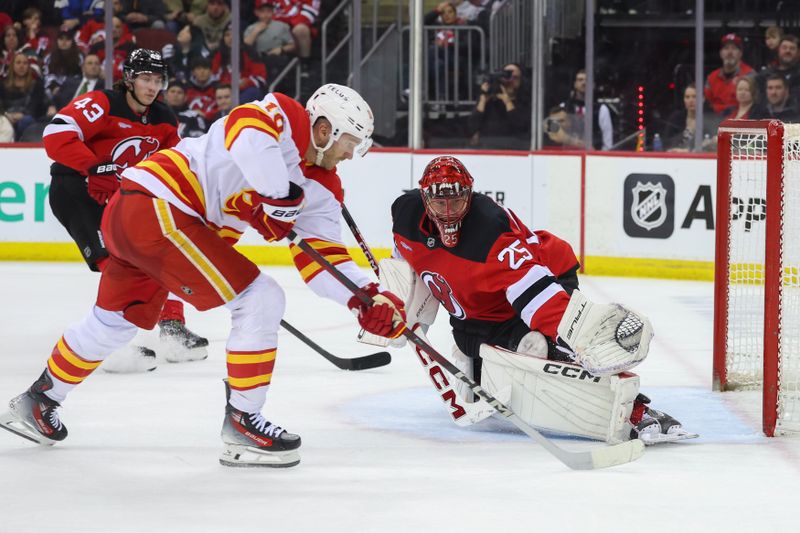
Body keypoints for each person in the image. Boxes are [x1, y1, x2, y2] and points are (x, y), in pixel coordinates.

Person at [0, 83, 406, 468]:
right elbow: (248, 139)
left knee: (115, 323)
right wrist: (279, 197)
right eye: (350, 144)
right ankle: (244, 421)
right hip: (160, 205)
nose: (351, 156)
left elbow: (323, 260)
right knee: (260, 298)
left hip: (141, 216)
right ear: (324, 129)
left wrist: (364, 297)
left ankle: (38, 401)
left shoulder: (324, 190)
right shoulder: (285, 115)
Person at [384, 155, 694, 445]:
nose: (449, 212)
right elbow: (409, 269)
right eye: (440, 203)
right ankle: (478, 360)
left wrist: (578, 339)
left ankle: (636, 412)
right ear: (424, 199)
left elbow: (539, 298)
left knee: (552, 349)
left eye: (457, 201)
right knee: (483, 372)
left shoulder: (490, 232)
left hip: (548, 276)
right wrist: (398, 308)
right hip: (478, 313)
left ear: (470, 195)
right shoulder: (405, 215)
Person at [41, 48, 209, 372]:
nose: (152, 87)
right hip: (77, 191)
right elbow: (56, 133)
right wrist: (93, 167)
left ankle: (172, 327)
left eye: (158, 80)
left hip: (120, 200)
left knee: (162, 255)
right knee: (115, 264)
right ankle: (111, 344)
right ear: (129, 78)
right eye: (146, 78)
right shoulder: (102, 103)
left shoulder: (163, 119)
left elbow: (176, 165)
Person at [468, 62, 530, 150]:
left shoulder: (525, 100)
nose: (510, 80)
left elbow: (522, 126)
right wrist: (482, 100)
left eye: (515, 78)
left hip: (515, 148)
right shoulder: (489, 98)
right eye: (506, 76)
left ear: (521, 81)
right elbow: (472, 127)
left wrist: (508, 102)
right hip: (487, 148)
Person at [704, 33, 754, 115]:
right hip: (714, 122)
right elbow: (707, 104)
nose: (730, 52)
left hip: (741, 121)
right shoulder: (711, 77)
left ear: (740, 53)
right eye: (726, 48)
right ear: (721, 53)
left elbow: (753, 105)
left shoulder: (750, 75)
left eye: (734, 48)